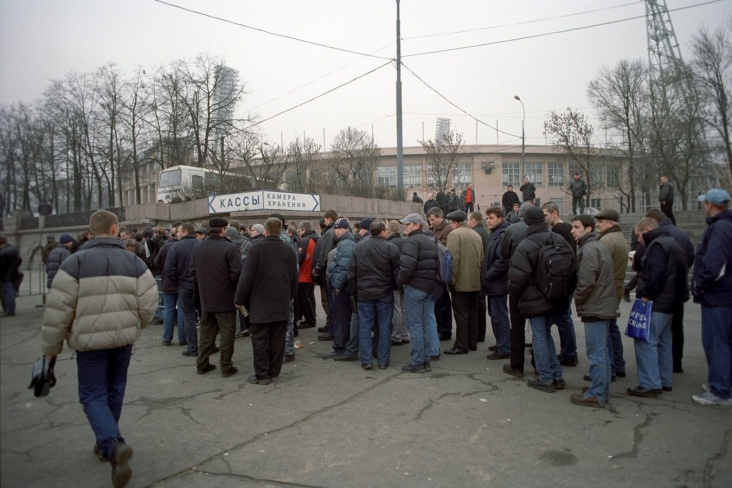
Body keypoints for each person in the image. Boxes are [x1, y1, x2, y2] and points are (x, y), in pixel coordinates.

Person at [42, 209, 157, 487]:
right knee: (115, 389)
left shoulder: (74, 262)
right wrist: (137, 324)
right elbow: (149, 301)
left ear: (91, 231)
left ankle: (110, 442)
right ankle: (107, 441)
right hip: (123, 339)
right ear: (116, 229)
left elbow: (58, 310)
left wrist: (51, 349)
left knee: (92, 395)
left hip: (89, 342)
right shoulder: (133, 261)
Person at [508, 206, 574, 393]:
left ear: (526, 221)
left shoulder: (526, 244)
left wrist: (515, 296)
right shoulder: (558, 239)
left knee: (539, 337)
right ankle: (556, 375)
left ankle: (545, 377)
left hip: (535, 299)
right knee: (546, 335)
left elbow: (517, 277)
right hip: (558, 296)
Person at [628, 218, 686, 397]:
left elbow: (656, 273)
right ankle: (664, 380)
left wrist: (647, 295)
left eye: (638, 235)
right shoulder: (673, 243)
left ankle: (650, 383)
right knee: (663, 340)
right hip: (671, 301)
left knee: (645, 340)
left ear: (646, 230)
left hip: (657, 301)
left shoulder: (657, 246)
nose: (638, 240)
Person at [235, 217, 298, 385]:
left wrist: (239, 299)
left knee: (260, 339)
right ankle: (274, 372)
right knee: (278, 339)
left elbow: (246, 277)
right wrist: (289, 296)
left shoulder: (256, 249)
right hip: (281, 301)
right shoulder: (289, 250)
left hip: (260, 302)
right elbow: (294, 278)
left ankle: (262, 375)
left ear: (266, 230)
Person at [569, 214, 618, 408]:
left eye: (576, 227)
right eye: (572, 227)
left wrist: (578, 299)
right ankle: (601, 389)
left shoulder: (589, 249)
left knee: (596, 352)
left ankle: (597, 393)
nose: (572, 230)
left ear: (588, 229)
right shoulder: (596, 246)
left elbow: (586, 281)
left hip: (596, 306)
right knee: (601, 351)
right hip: (602, 304)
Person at [691, 189, 732, 406]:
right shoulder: (725, 225)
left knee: (717, 344)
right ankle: (722, 382)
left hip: (718, 297)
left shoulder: (720, 227)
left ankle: (720, 390)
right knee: (723, 342)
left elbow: (716, 265)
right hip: (723, 296)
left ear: (710, 205)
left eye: (705, 203)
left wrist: (700, 285)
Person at [190, 217, 242, 378]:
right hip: (226, 298)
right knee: (227, 333)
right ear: (223, 229)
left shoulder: (199, 248)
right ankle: (226, 366)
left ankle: (202, 363)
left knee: (207, 332)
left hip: (206, 297)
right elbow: (237, 274)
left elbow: (192, 272)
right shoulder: (230, 248)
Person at [645, 208, 694, 373]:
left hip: (663, 292)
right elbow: (691, 257)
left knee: (656, 334)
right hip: (679, 289)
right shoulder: (682, 235)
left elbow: (657, 269)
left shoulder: (660, 238)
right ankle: (675, 363)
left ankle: (656, 371)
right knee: (675, 328)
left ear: (653, 220)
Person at [348, 220, 401, 370]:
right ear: (382, 231)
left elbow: (351, 273)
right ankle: (383, 360)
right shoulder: (391, 247)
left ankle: (366, 360)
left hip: (364, 293)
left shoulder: (359, 246)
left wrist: (355, 292)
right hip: (384, 293)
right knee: (384, 327)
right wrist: (394, 288)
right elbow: (397, 274)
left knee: (365, 326)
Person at [397, 213, 439, 373]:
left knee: (415, 326)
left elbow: (407, 267)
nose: (405, 227)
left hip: (414, 288)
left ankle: (417, 362)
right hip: (428, 287)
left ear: (416, 225)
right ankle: (426, 360)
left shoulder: (411, 242)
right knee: (425, 324)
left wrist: (400, 282)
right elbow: (436, 266)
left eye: (408, 224)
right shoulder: (431, 242)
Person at [593, 209, 629, 380]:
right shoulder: (618, 237)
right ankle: (618, 365)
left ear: (611, 223)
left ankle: (610, 369)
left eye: (601, 221)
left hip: (606, 290)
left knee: (604, 331)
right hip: (615, 288)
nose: (597, 224)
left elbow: (597, 268)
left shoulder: (606, 240)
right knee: (611, 328)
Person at [542, 201, 578, 367]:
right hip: (568, 276)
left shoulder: (557, 230)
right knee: (565, 317)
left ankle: (569, 353)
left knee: (563, 318)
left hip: (562, 277)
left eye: (546, 215)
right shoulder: (567, 227)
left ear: (554, 213)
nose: (545, 219)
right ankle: (569, 351)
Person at [500, 202, 534, 378]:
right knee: (539, 327)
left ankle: (517, 364)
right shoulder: (547, 232)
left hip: (517, 281)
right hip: (538, 284)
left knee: (517, 325)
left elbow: (503, 252)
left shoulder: (512, 230)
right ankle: (539, 363)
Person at [444, 210, 484, 355]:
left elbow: (452, 260)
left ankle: (461, 345)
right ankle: (471, 342)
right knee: (472, 313)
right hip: (474, 281)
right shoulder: (476, 234)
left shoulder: (455, 234)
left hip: (460, 282)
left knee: (461, 314)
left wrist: (451, 281)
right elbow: (481, 259)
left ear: (455, 223)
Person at [164, 223, 200, 358]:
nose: (176, 234)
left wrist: (177, 283)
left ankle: (192, 347)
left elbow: (169, 269)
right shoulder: (200, 244)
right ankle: (209, 345)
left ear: (185, 232)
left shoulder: (176, 247)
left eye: (178, 231)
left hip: (185, 286)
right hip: (200, 286)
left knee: (189, 316)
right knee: (204, 316)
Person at [482, 207, 511, 360]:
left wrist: (488, 275)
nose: (488, 221)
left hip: (498, 283)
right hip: (494, 283)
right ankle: (502, 342)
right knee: (495, 315)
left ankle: (504, 347)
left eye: (491, 218)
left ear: (500, 219)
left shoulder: (502, 234)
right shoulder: (496, 234)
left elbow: (502, 260)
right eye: (487, 218)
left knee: (499, 315)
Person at [326, 218, 357, 358]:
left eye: (340, 228)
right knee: (342, 318)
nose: (337, 230)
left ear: (346, 229)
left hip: (343, 289)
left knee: (342, 319)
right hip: (344, 287)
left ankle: (340, 346)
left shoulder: (346, 244)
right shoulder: (346, 243)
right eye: (336, 228)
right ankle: (341, 345)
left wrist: (338, 286)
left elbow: (344, 268)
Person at [426, 207, 453, 341]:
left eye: (432, 220)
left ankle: (445, 329)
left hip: (441, 271)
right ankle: (439, 328)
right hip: (436, 271)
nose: (431, 223)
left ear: (439, 217)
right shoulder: (435, 229)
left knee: (443, 303)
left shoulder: (447, 229)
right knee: (438, 303)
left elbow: (443, 247)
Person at [312, 209, 338, 339]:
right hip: (336, 271)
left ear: (329, 219)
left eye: (325, 219)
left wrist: (317, 269)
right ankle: (332, 327)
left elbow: (324, 254)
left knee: (330, 301)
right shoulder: (335, 232)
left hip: (330, 272)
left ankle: (332, 329)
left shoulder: (329, 233)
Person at [468, 211, 490, 342]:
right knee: (481, 303)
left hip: (479, 273)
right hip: (484, 271)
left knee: (478, 304)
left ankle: (479, 333)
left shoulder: (476, 234)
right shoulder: (485, 233)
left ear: (473, 221)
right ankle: (481, 332)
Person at [387, 220, 409, 346]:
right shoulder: (406, 242)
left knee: (396, 308)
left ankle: (396, 335)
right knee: (404, 308)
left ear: (389, 231)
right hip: (405, 280)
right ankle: (405, 334)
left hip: (394, 280)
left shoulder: (389, 244)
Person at [296, 221, 318, 330]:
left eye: (299, 231)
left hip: (304, 274)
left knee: (304, 298)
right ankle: (312, 317)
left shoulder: (305, 240)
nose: (299, 233)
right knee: (310, 297)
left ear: (303, 230)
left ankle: (310, 320)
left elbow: (299, 258)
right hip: (310, 273)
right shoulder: (315, 239)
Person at [0, 235, 21, 316]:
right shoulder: (13, 249)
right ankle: (10, 309)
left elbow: (2, 266)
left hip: (5, 275)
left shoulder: (2, 253)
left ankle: (10, 310)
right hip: (13, 273)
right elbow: (19, 260)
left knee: (8, 292)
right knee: (10, 292)